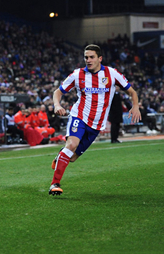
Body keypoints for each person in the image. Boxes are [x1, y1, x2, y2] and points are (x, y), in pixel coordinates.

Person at [49, 44, 141, 196]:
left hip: (97, 124)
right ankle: (54, 184)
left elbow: (132, 91)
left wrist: (135, 106)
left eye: (91, 57)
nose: (88, 60)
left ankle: (61, 157)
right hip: (79, 115)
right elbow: (58, 92)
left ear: (100, 58)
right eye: (86, 57)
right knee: (72, 144)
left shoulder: (111, 73)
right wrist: (57, 104)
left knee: (71, 158)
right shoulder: (78, 75)